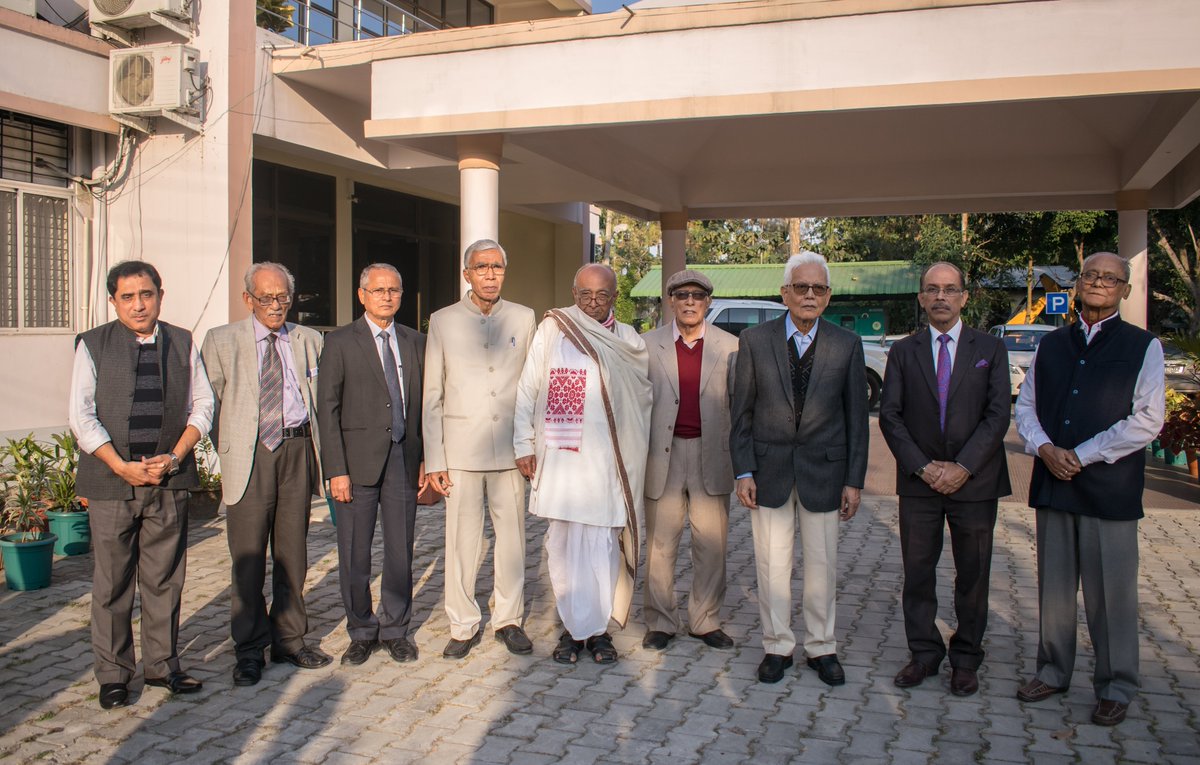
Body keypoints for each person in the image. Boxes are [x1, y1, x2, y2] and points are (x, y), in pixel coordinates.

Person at [1014, 251, 1165, 727]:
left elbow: (1148, 420)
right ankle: (1053, 670)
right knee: (1055, 589)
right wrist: (1043, 448)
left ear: (1125, 289)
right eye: (1091, 275)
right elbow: (1026, 407)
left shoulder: (1144, 346)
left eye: (1110, 278)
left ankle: (1115, 684)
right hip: (1053, 483)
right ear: (1078, 283)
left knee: (1110, 595)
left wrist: (1083, 453)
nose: (1099, 283)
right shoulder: (1052, 344)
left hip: (1108, 488)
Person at [69, 260, 214, 709]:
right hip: (113, 482)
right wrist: (121, 465)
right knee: (112, 582)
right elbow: (81, 415)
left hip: (168, 480)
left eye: (146, 294)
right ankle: (113, 675)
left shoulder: (184, 341)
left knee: (164, 579)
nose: (138, 304)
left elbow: (203, 405)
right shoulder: (93, 344)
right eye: (128, 296)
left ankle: (162, 666)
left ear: (160, 295)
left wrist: (174, 456)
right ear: (113, 300)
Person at [730, 250, 868, 685]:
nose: (810, 295)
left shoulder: (847, 345)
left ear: (828, 297)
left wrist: (854, 480)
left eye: (819, 289)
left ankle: (822, 647)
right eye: (802, 287)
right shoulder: (754, 340)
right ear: (785, 292)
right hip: (768, 471)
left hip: (825, 472)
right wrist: (743, 470)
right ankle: (777, 646)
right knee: (771, 564)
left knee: (823, 565)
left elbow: (857, 419)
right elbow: (742, 413)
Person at [878, 262, 1011, 697]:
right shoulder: (903, 351)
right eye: (932, 289)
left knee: (973, 574)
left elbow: (997, 416)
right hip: (919, 484)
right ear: (920, 298)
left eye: (950, 289)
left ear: (964, 297)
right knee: (918, 573)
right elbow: (891, 417)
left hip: (975, 483)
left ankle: (967, 658)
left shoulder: (990, 347)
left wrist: (962, 467)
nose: (941, 297)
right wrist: (924, 466)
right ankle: (924, 654)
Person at [514, 263, 652, 665]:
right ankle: (571, 631)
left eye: (602, 295)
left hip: (609, 463)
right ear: (574, 294)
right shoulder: (553, 329)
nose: (593, 303)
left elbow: (640, 399)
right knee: (564, 547)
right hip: (562, 459)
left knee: (604, 547)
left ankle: (599, 633)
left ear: (614, 297)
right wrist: (524, 443)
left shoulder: (628, 339)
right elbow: (528, 388)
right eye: (585, 295)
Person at [201, 262, 330, 687]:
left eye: (283, 298)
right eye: (266, 298)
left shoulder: (310, 340)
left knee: (292, 553)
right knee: (248, 557)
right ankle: (249, 649)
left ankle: (289, 640)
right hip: (251, 453)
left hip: (296, 449)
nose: (275, 306)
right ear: (248, 299)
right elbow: (212, 397)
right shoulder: (221, 341)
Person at [423, 240, 536, 659]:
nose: (490, 274)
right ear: (466, 273)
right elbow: (432, 393)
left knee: (512, 541)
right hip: (461, 452)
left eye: (497, 267)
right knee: (462, 542)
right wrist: (435, 457)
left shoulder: (524, 318)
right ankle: (462, 622)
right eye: (481, 267)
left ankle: (508, 619)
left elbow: (532, 387)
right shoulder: (443, 320)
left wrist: (531, 445)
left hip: (511, 452)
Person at [318, 263, 428, 666]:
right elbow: (326, 409)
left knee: (401, 549)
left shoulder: (415, 341)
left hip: (402, 458)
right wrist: (336, 470)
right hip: (355, 465)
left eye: (394, 290)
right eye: (379, 290)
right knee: (355, 553)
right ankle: (362, 629)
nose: (387, 296)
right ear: (362, 295)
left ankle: (396, 628)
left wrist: (424, 460)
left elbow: (423, 407)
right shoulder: (340, 342)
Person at [640, 269, 739, 652]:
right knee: (661, 545)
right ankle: (661, 621)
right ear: (671, 301)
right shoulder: (647, 345)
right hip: (662, 455)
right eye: (682, 296)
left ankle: (705, 620)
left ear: (708, 302)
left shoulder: (731, 347)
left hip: (711, 453)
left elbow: (740, 406)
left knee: (711, 544)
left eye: (698, 296)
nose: (690, 302)